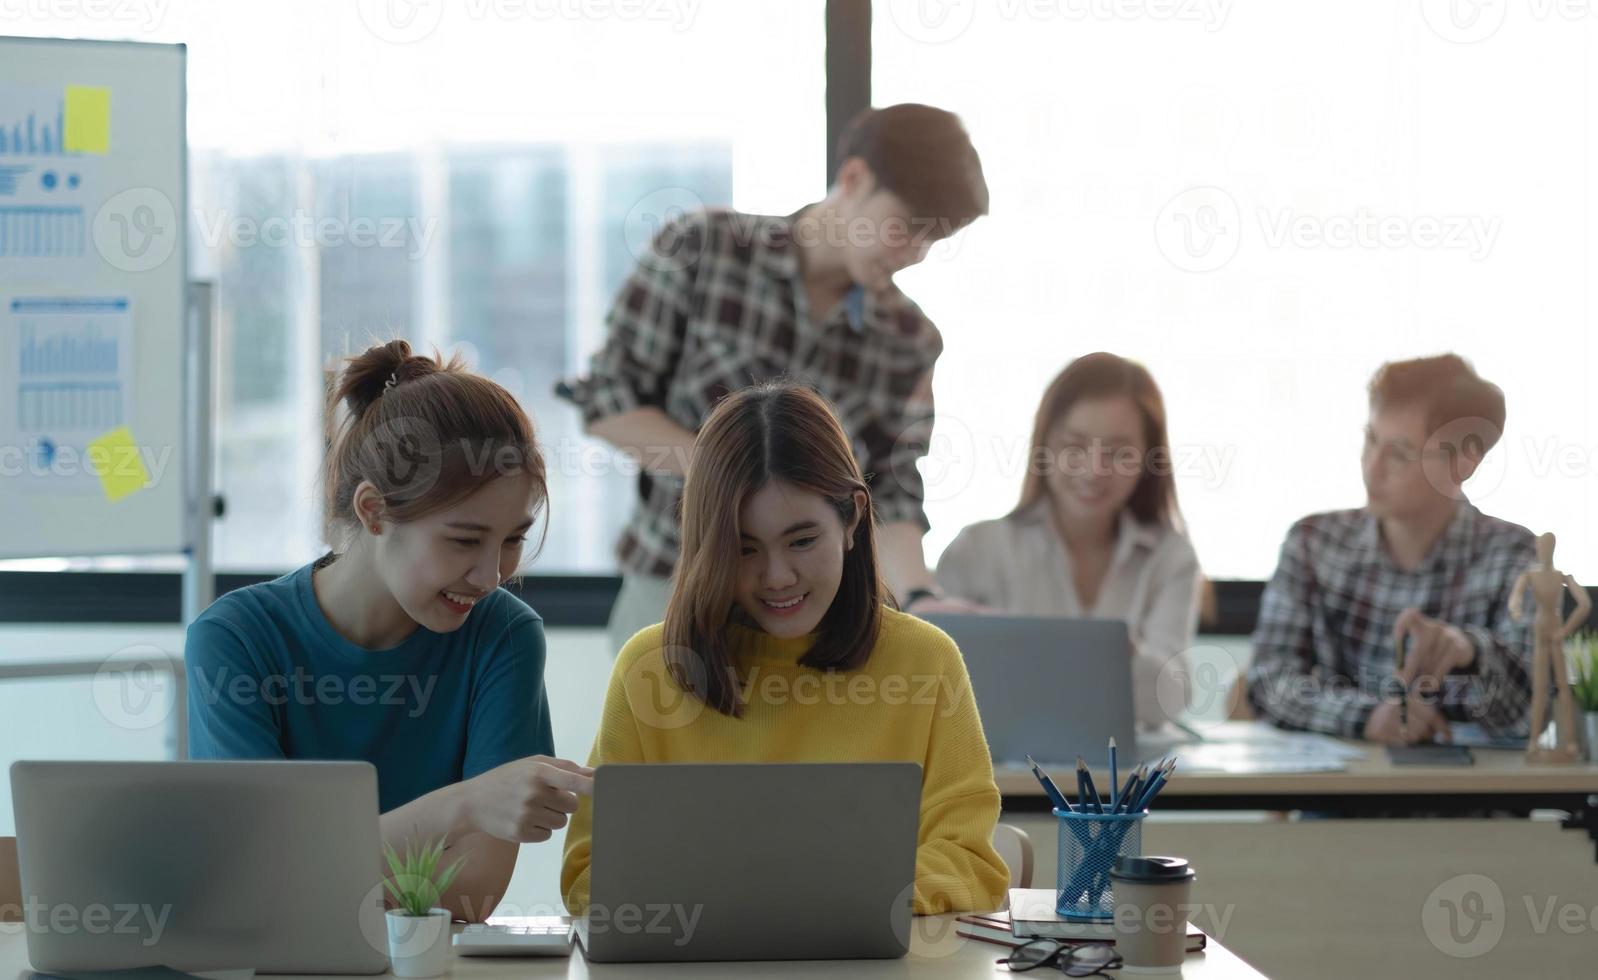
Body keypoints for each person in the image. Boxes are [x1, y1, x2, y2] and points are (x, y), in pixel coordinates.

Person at [559, 382, 1009, 915]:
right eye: (744, 549)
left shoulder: (926, 661)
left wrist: (815, 895)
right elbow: (589, 877)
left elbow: (971, 864)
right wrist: (777, 895)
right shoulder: (651, 669)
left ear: (852, 519)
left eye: (802, 541)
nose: (777, 577)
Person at [558, 103, 990, 656]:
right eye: (906, 228)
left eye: (934, 241)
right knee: (659, 740)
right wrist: (728, 475)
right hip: (675, 581)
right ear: (855, 178)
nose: (915, 255)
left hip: (816, 609)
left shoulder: (910, 339)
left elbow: (894, 490)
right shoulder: (703, 249)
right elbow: (610, 398)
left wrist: (921, 595)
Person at [186, 339, 593, 921]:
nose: (491, 575)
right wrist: (463, 807)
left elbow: (473, 892)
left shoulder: (504, 635)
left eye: (513, 539)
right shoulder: (235, 640)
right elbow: (259, 873)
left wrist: (307, 875)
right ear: (374, 511)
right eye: (464, 540)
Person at [1246, 354, 1536, 744]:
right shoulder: (1313, 542)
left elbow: (1533, 710)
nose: (1372, 466)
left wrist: (1470, 651)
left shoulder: (1514, 555)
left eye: (1399, 453)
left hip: (1471, 802)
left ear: (1463, 464)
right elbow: (1269, 680)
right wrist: (1368, 718)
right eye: (1370, 440)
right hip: (1339, 801)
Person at [935, 353, 1201, 728]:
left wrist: (1104, 649)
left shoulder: (1170, 558)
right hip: (1003, 775)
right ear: (1044, 448)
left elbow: (1169, 701)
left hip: (1128, 778)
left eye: (1118, 452)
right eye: (1074, 446)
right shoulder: (979, 549)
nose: (1094, 470)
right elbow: (935, 691)